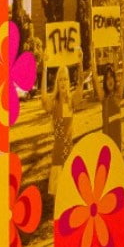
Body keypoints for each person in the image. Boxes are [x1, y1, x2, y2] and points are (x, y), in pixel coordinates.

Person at [42, 62, 74, 196]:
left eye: (65, 79)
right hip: (58, 154)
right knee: (59, 194)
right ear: (57, 82)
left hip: (69, 153)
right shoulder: (54, 103)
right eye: (60, 79)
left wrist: (80, 63)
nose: (63, 82)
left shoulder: (71, 101)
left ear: (68, 81)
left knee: (70, 194)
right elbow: (44, 97)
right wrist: (44, 69)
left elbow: (80, 88)